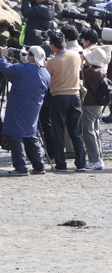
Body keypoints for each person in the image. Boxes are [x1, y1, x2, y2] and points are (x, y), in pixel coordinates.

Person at [0, 46, 50, 175]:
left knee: (16, 134)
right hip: (34, 107)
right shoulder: (45, 73)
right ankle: (39, 165)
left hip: (18, 105)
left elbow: (4, 67)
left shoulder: (22, 69)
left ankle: (20, 166)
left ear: (31, 56)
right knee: (31, 134)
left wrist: (4, 56)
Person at [45, 30, 86, 172]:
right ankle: (81, 163)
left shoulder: (52, 61)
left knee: (58, 132)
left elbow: (47, 77)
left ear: (52, 45)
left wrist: (48, 61)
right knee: (76, 132)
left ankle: (61, 164)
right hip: (75, 96)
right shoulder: (75, 55)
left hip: (58, 97)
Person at [81, 47, 107, 170]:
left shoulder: (90, 72)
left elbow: (78, 73)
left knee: (88, 132)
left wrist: (81, 60)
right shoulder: (101, 70)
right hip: (98, 105)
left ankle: (94, 160)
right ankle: (98, 158)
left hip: (89, 105)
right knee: (95, 131)